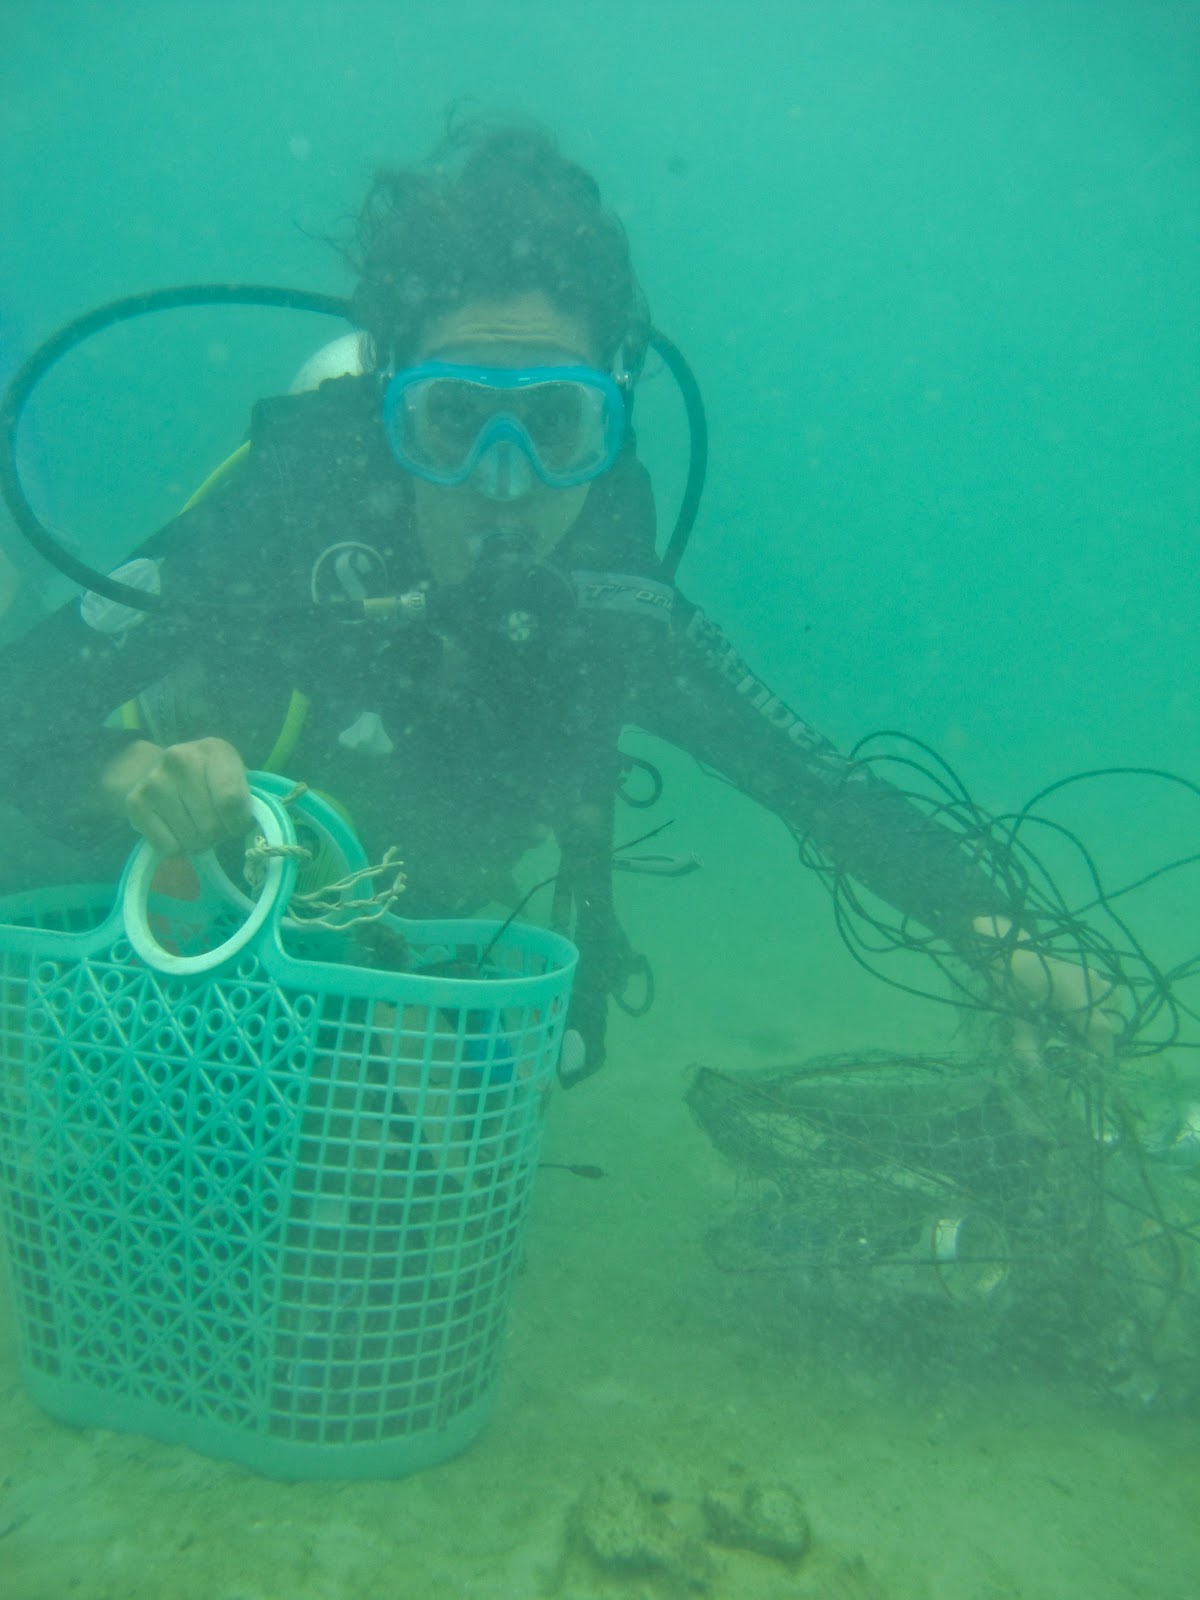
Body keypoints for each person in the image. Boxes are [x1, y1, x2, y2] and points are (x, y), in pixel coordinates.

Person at [0, 119, 1115, 1082]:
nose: (503, 480)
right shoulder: (288, 511)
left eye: (553, 424)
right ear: (388, 410)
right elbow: (19, 707)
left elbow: (812, 779)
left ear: (610, 422)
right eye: (452, 418)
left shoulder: (612, 592)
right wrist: (131, 773)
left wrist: (1001, 934)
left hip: (399, 903)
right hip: (177, 872)